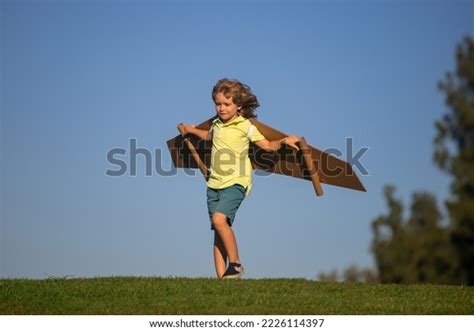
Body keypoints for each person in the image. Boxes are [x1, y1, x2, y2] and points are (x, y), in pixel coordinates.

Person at [184, 78, 300, 279]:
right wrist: (192, 130)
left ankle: (236, 265)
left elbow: (267, 146)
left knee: (220, 220)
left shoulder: (245, 126)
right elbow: (208, 137)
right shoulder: (216, 125)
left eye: (226, 104)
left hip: (236, 183)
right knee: (218, 230)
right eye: (218, 104)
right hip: (214, 184)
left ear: (238, 105)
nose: (221, 108)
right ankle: (222, 281)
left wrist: (284, 141)